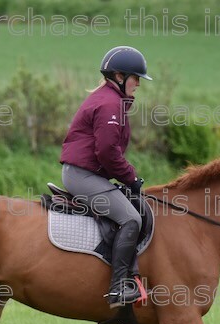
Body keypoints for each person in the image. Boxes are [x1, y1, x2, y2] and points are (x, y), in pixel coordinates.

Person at [59, 46, 152, 308]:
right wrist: (131, 178)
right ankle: (118, 289)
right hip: (82, 175)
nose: (139, 85)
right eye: (136, 78)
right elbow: (108, 152)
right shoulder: (110, 104)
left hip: (87, 173)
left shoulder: (109, 99)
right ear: (120, 76)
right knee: (131, 218)